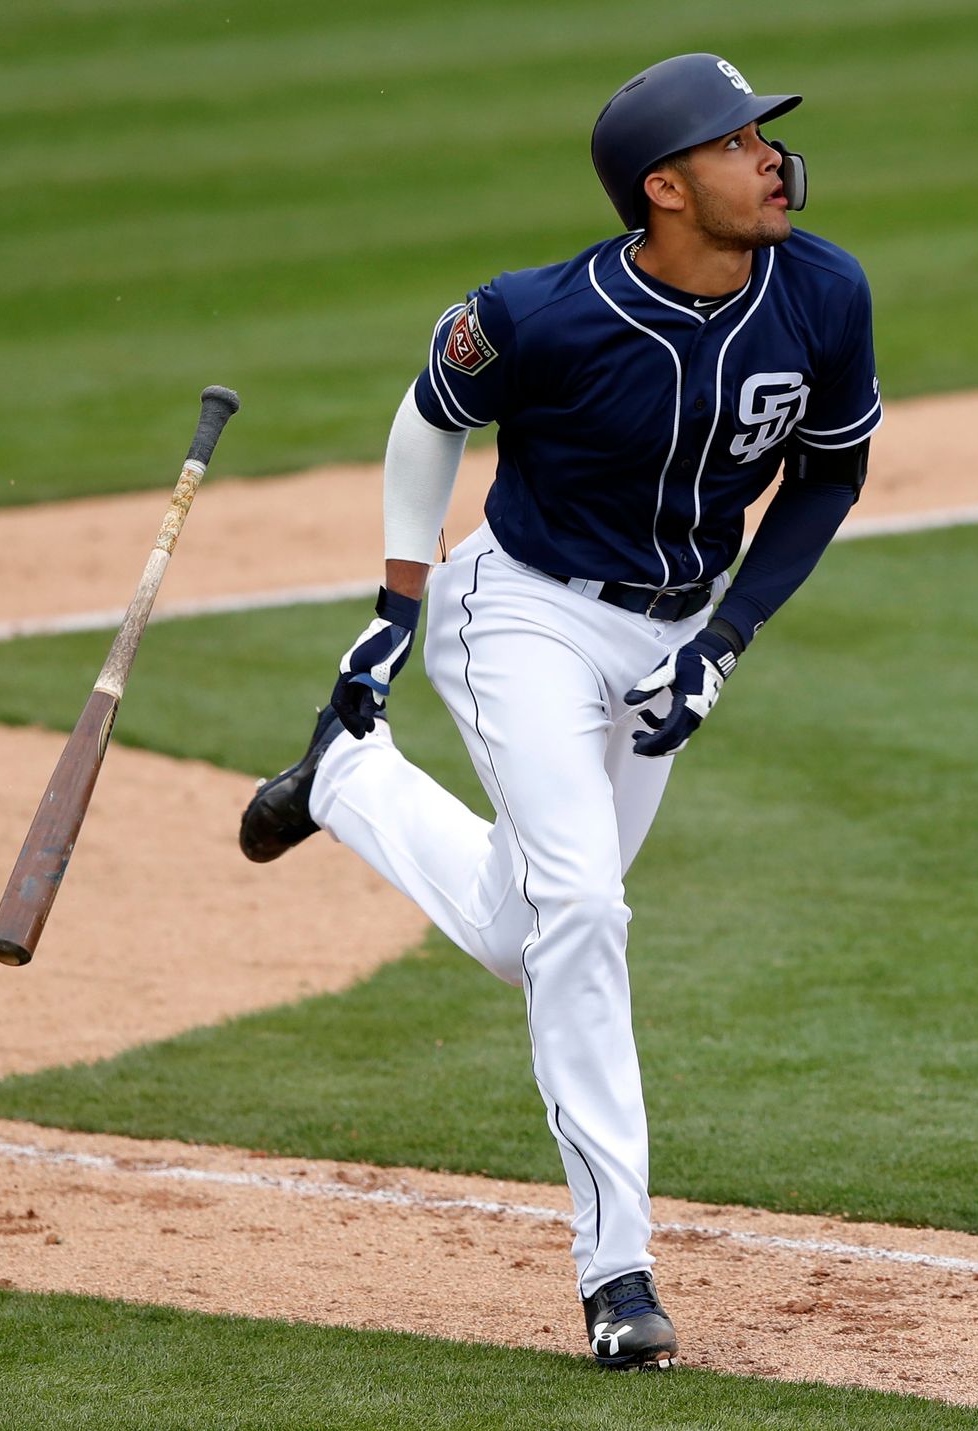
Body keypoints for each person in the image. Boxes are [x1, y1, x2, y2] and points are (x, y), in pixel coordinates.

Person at [238, 51, 881, 1371]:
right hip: (522, 611)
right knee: (585, 908)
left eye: (766, 133)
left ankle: (348, 781)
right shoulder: (539, 316)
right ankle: (618, 1275)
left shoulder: (823, 292)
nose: (768, 155)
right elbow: (430, 420)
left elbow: (829, 475)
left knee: (525, 937)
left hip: (674, 628)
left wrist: (729, 639)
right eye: (737, 140)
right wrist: (395, 607)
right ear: (664, 187)